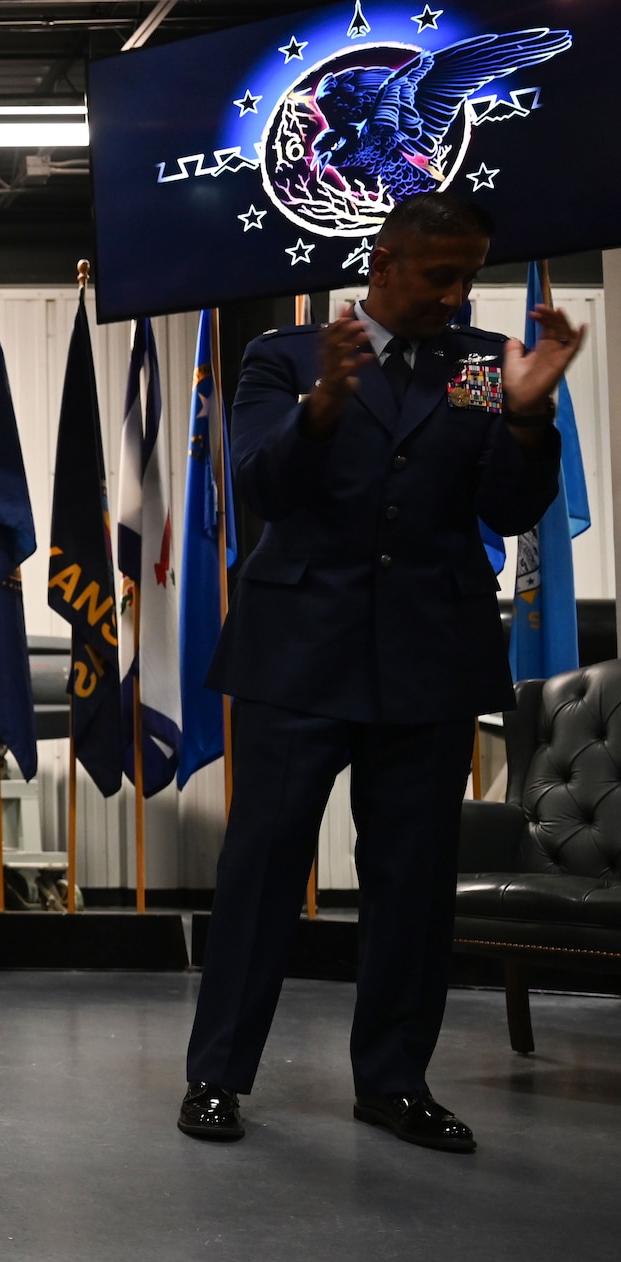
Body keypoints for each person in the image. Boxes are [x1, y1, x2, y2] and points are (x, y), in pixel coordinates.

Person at [181, 194, 585, 1151]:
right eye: (438, 273)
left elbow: (510, 505)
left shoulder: (483, 368)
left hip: (431, 658)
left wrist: (528, 421)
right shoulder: (281, 356)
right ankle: (216, 1076)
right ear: (382, 262)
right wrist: (321, 408)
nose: (456, 293)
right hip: (299, 652)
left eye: (469, 274)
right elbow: (261, 486)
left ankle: (394, 1081)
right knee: (264, 868)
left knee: (412, 880)